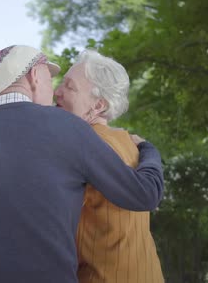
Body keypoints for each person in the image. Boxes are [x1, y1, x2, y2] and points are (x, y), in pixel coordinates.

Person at [0, 45, 164, 283]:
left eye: (67, 85)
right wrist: (146, 148)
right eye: (51, 78)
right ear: (34, 76)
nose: (55, 90)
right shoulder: (69, 129)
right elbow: (142, 194)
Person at [54, 50, 164, 283]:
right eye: (61, 83)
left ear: (98, 105)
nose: (57, 92)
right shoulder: (128, 142)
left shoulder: (84, 145)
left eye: (69, 87)